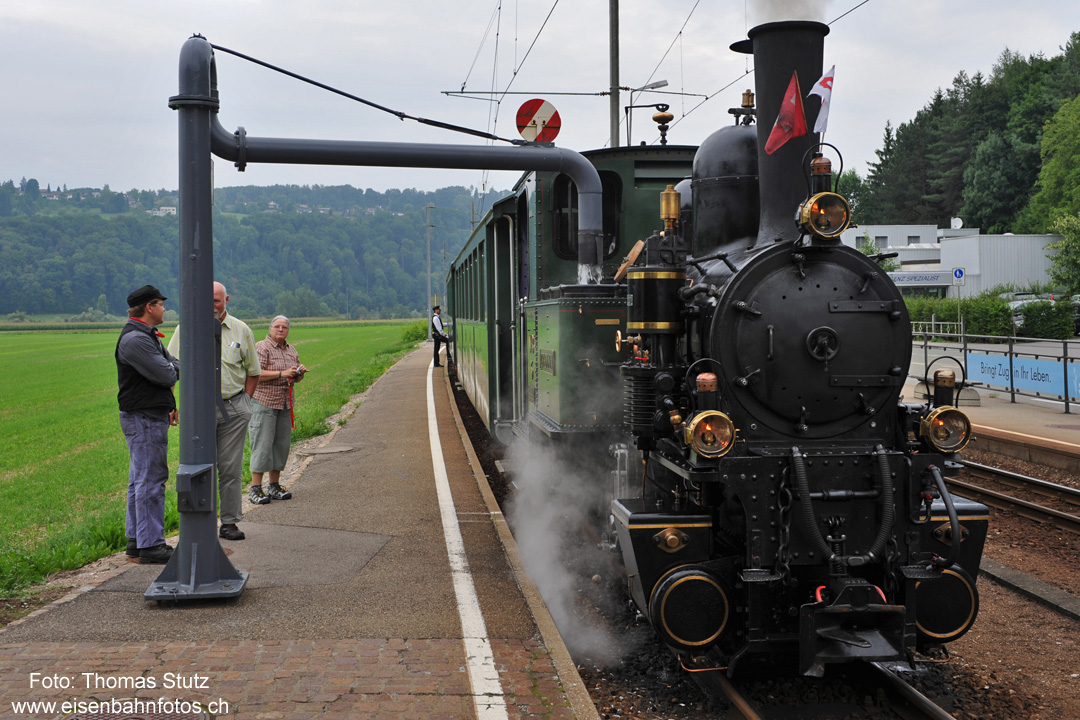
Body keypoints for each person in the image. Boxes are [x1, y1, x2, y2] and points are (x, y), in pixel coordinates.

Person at [167, 281, 260, 541]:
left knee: (230, 468)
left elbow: (253, 372)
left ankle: (229, 522)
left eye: (216, 301)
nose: (212, 306)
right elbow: (171, 370)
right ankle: (199, 523)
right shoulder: (185, 329)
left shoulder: (241, 330)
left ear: (226, 300)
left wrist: (245, 403)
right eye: (207, 301)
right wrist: (172, 405)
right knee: (198, 466)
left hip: (233, 409)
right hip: (198, 411)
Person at [116, 285, 179, 564]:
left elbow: (172, 364)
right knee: (150, 479)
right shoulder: (135, 340)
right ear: (150, 307)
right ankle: (151, 544)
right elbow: (168, 373)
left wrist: (171, 369)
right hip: (144, 417)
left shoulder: (145, 335)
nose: (165, 309)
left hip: (148, 414)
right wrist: (172, 370)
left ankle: (137, 541)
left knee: (139, 479)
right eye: (162, 305)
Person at [248, 315, 307, 504]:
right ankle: (255, 489)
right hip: (264, 402)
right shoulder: (261, 347)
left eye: (284, 327)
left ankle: (274, 486)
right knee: (262, 445)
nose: (281, 330)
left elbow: (293, 378)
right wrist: (282, 373)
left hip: (284, 403)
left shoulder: (291, 350)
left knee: (280, 445)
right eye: (277, 327)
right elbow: (255, 373)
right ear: (270, 328)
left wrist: (298, 374)